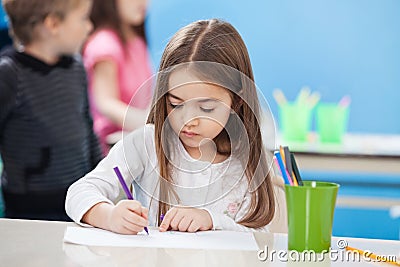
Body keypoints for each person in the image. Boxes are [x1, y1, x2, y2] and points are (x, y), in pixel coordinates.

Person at [66, 19, 287, 233]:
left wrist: (210, 220)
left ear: (236, 101)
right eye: (176, 104)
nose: (188, 120)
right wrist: (109, 216)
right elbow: (79, 192)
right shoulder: (146, 145)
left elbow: (259, 235)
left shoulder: (249, 162)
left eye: (206, 108)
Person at [0, 0, 102, 221]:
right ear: (53, 24)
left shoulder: (76, 68)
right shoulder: (10, 74)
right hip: (29, 210)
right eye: (83, 18)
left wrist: (99, 176)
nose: (90, 26)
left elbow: (87, 127)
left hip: (78, 202)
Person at [83, 0, 153, 154]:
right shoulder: (104, 44)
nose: (144, 3)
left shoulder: (136, 40)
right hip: (112, 152)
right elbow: (105, 103)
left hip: (138, 145)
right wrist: (148, 123)